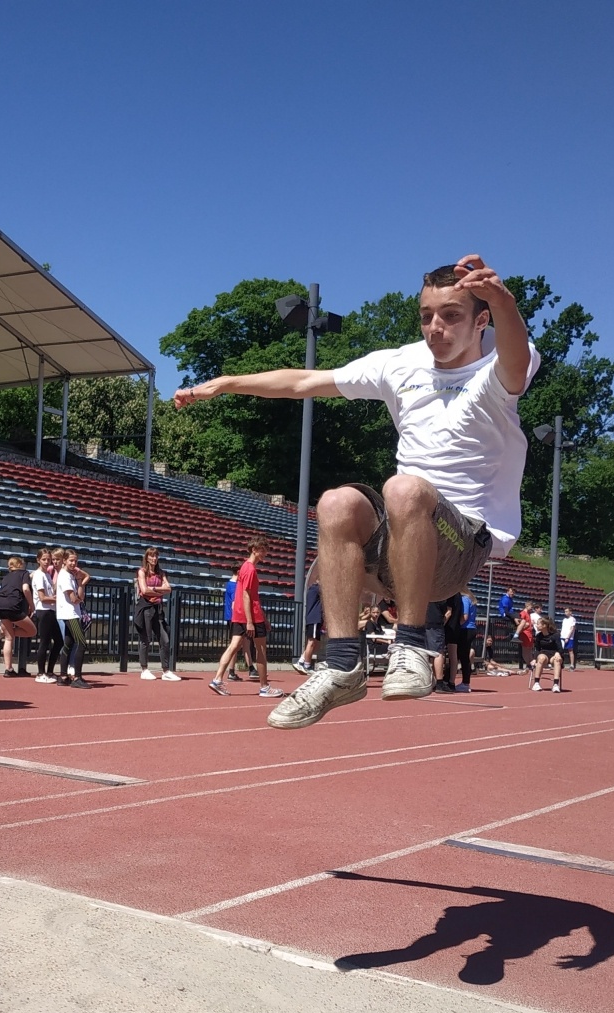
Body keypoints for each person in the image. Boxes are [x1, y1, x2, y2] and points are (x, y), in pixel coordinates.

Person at [183, 258, 542, 728]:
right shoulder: (399, 363)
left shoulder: (500, 364)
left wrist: (503, 299)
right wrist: (229, 383)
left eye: (451, 315)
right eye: (426, 315)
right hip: (400, 542)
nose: (435, 328)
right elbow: (304, 381)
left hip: (461, 546)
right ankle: (341, 664)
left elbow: (516, 360)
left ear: (481, 320)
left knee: (405, 488)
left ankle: (411, 645)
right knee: (336, 502)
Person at [209, 537, 282, 699]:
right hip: (251, 616)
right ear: (254, 550)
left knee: (233, 646)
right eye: (262, 550)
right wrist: (251, 621)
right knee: (261, 650)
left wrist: (262, 617)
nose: (265, 554)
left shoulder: (244, 568)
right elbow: (247, 595)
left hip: (241, 614)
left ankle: (217, 679)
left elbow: (251, 595)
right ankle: (264, 687)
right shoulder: (249, 569)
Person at [133, 547, 180, 680]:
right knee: (145, 639)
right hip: (145, 607)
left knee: (164, 639)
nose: (154, 559)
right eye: (151, 556)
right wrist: (159, 591)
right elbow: (144, 590)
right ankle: (144, 669)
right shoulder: (142, 572)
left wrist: (153, 589)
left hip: (157, 608)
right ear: (147, 557)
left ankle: (166, 670)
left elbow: (169, 588)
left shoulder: (161, 573)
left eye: (156, 556)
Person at [0, 555, 38, 676]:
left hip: (0, 604)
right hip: (13, 606)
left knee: (9, 638)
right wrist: (31, 605)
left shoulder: (6, 577)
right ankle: (6, 631)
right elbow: (26, 589)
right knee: (32, 631)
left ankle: (9, 669)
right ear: (20, 565)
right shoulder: (24, 573)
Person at [54, 548, 92, 688]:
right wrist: (78, 596)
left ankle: (63, 676)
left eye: (75, 561)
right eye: (71, 560)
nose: (73, 563)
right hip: (70, 614)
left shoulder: (70, 575)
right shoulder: (64, 576)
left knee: (68, 644)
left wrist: (80, 581)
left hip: (71, 613)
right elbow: (74, 599)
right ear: (64, 560)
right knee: (81, 643)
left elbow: (79, 596)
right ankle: (77, 677)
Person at [30, 548, 62, 683]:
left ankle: (49, 671)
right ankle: (40, 672)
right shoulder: (39, 575)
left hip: (51, 610)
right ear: (38, 560)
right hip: (43, 610)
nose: (47, 562)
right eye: (44, 559)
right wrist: (57, 599)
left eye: (48, 559)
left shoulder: (47, 575)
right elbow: (42, 597)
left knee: (59, 641)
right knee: (45, 642)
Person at [221, 572, 253, 681]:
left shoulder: (229, 584)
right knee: (237, 645)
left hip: (232, 617)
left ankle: (249, 668)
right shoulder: (235, 585)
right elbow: (235, 604)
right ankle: (235, 670)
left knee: (241, 644)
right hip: (236, 617)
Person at [531, 616, 564, 693]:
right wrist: (534, 659)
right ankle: (536, 683)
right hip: (544, 654)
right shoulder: (538, 636)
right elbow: (537, 649)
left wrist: (558, 653)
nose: (536, 625)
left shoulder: (555, 635)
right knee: (541, 658)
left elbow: (560, 649)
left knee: (557, 660)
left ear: (544, 625)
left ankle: (555, 685)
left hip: (554, 654)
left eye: (538, 624)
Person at [296, 580, 323, 673]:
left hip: (315, 619)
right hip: (315, 618)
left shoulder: (313, 589)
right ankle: (307, 665)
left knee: (316, 643)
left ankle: (302, 660)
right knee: (311, 642)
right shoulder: (317, 588)